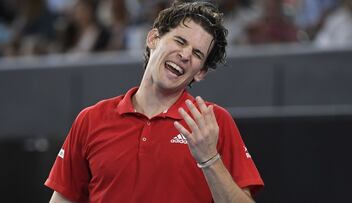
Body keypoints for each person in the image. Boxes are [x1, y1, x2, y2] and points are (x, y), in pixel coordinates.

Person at [45, 1, 264, 202]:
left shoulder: (213, 122)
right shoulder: (91, 119)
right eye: (180, 40)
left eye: (197, 53)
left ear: (201, 72)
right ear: (153, 39)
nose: (185, 54)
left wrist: (209, 159)